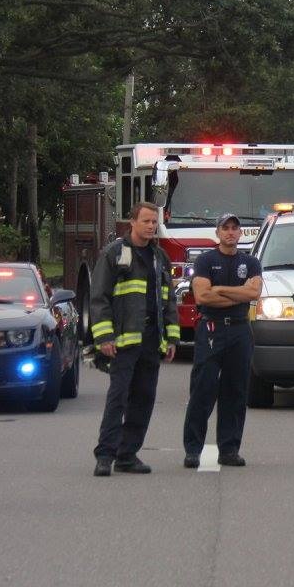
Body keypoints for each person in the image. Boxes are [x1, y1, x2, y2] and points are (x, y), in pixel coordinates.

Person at [89, 202, 180, 477]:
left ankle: (127, 455)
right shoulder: (115, 254)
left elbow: (169, 300)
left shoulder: (159, 256)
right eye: (147, 221)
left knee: (144, 398)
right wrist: (104, 336)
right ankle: (105, 455)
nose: (152, 226)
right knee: (118, 399)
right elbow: (99, 298)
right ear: (132, 222)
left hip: (152, 341)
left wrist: (172, 338)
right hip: (123, 342)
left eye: (155, 222)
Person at [181, 213, 263, 468]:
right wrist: (237, 295)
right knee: (203, 390)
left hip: (240, 331)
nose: (230, 232)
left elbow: (254, 292)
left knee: (236, 392)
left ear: (240, 234)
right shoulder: (206, 260)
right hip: (212, 328)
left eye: (234, 229)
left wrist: (221, 289)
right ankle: (193, 449)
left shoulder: (250, 262)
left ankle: (229, 449)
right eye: (225, 228)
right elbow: (203, 297)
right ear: (217, 233)